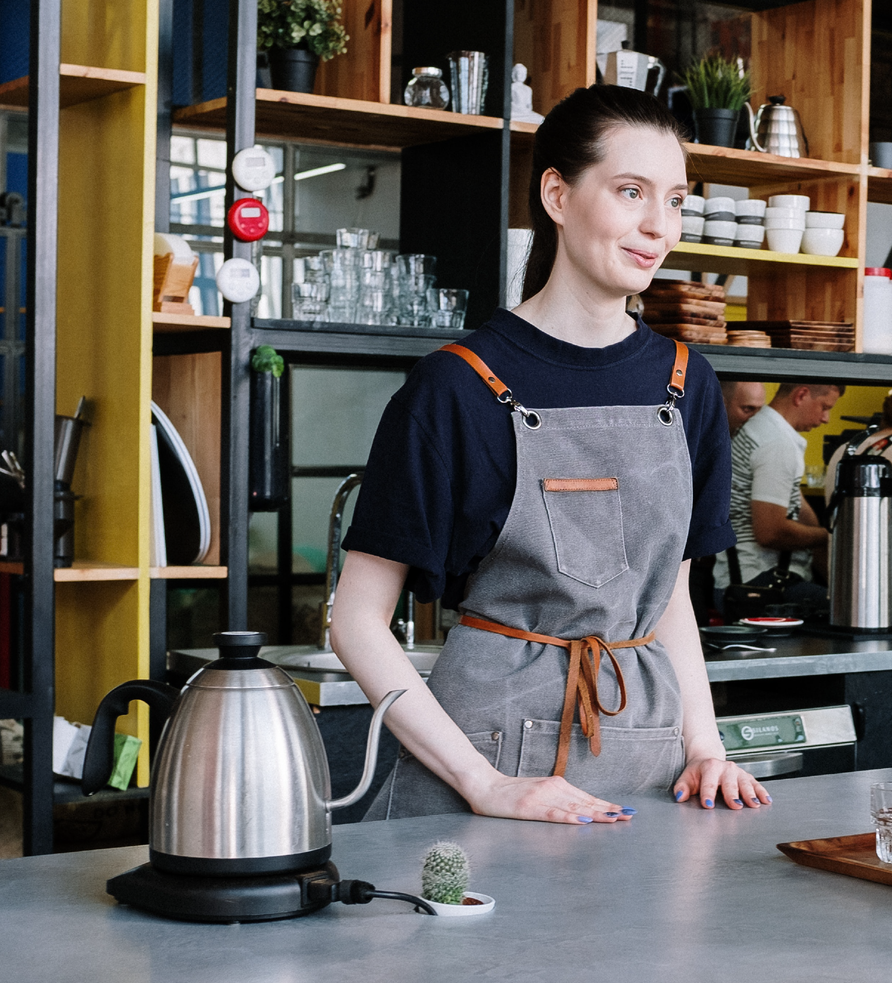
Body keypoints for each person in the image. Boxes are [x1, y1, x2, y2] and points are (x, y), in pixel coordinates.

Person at [330, 84, 771, 825]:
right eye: (631, 192)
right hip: (487, 766)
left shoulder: (687, 383)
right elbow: (355, 621)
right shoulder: (455, 387)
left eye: (675, 200)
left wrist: (704, 744)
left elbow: (670, 599)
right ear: (558, 196)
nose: (658, 226)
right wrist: (483, 783)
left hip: (649, 757)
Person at [715, 383, 841, 602]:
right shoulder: (776, 442)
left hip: (745, 579)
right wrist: (832, 536)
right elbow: (770, 532)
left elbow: (802, 510)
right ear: (801, 394)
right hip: (756, 584)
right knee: (851, 612)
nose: (825, 418)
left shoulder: (764, 429)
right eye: (824, 407)